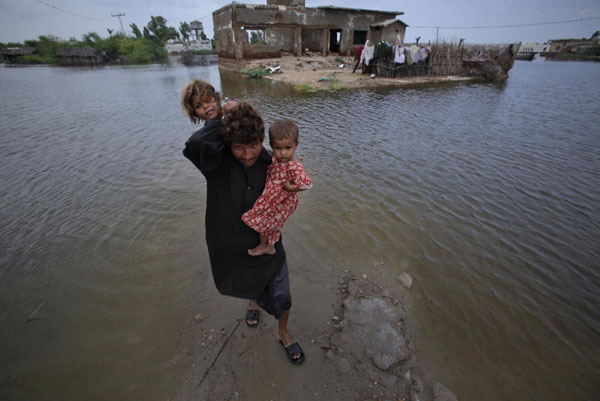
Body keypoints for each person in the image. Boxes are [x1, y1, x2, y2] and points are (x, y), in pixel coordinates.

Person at [181, 80, 305, 364]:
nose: (247, 155)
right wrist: (223, 117)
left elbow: (293, 174)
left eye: (253, 146)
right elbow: (194, 143)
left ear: (261, 140)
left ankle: (283, 332)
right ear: (228, 143)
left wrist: (294, 187)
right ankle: (253, 301)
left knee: (282, 291)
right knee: (249, 280)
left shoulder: (270, 161)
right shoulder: (215, 161)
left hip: (267, 237)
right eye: (239, 147)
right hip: (231, 236)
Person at [242, 120, 312, 256]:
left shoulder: (294, 166)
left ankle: (264, 246)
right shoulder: (274, 158)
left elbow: (306, 183)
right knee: (270, 221)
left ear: (296, 145)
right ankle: (271, 245)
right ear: (272, 146)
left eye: (288, 148)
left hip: (282, 200)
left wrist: (291, 188)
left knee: (264, 219)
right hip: (273, 196)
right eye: (278, 148)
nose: (283, 153)